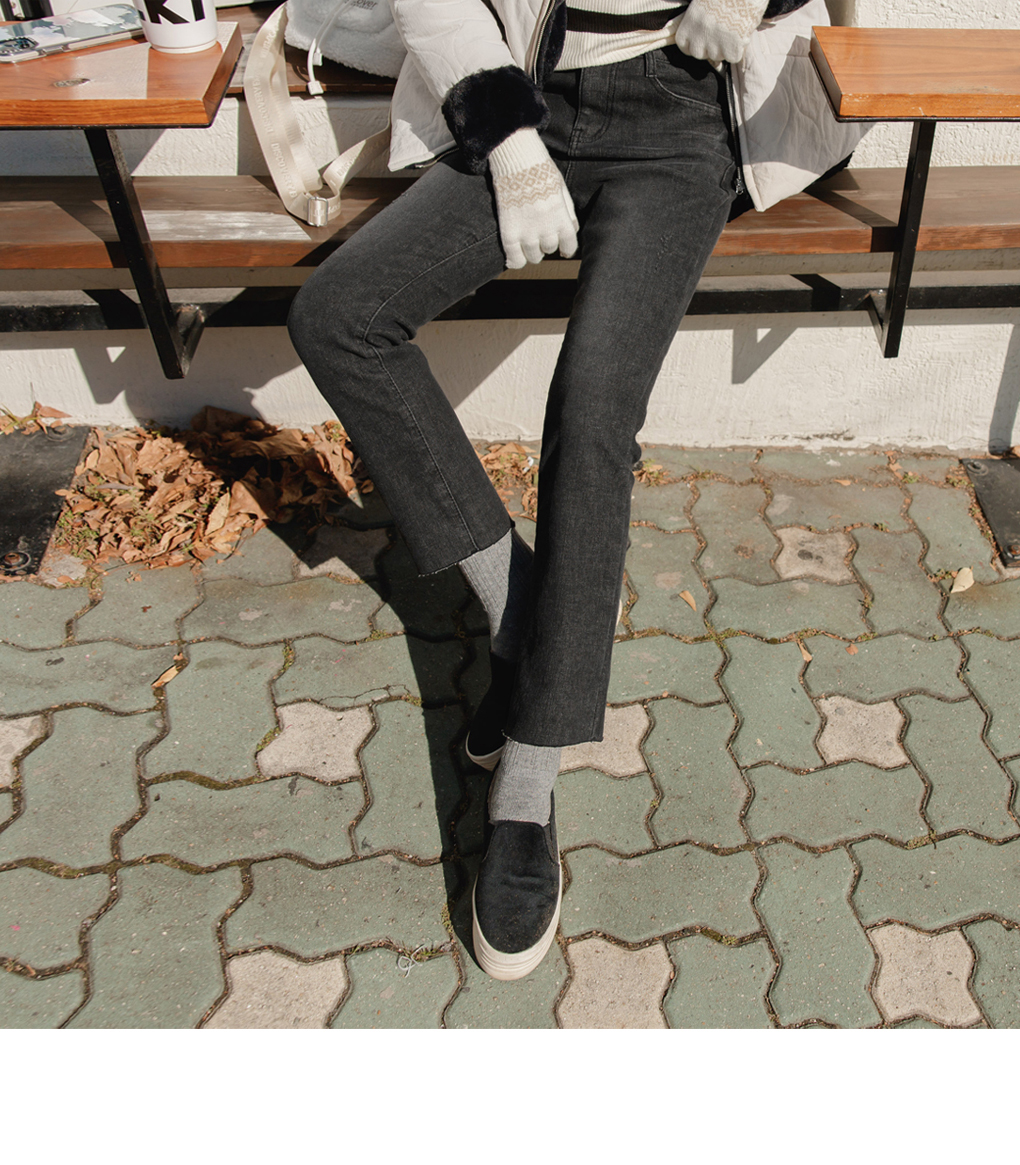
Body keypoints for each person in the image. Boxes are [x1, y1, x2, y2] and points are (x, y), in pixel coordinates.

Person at [288, 0, 817, 981]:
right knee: (340, 315)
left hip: (682, 116)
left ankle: (525, 786)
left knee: (594, 406)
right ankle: (526, 609)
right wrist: (509, 140)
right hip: (528, 100)